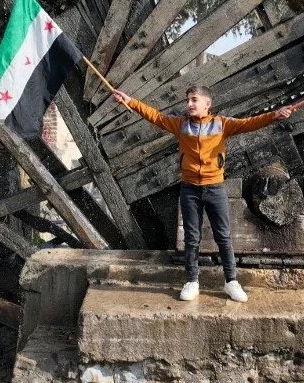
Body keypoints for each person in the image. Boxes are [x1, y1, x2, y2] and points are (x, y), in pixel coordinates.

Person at [113, 86, 293, 302]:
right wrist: (130, 101)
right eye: (188, 100)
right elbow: (155, 117)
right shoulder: (181, 125)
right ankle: (192, 281)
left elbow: (249, 123)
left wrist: (274, 115)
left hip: (215, 188)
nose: (189, 104)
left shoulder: (221, 124)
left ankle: (231, 281)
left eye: (194, 100)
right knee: (192, 238)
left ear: (207, 104)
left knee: (223, 236)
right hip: (189, 189)